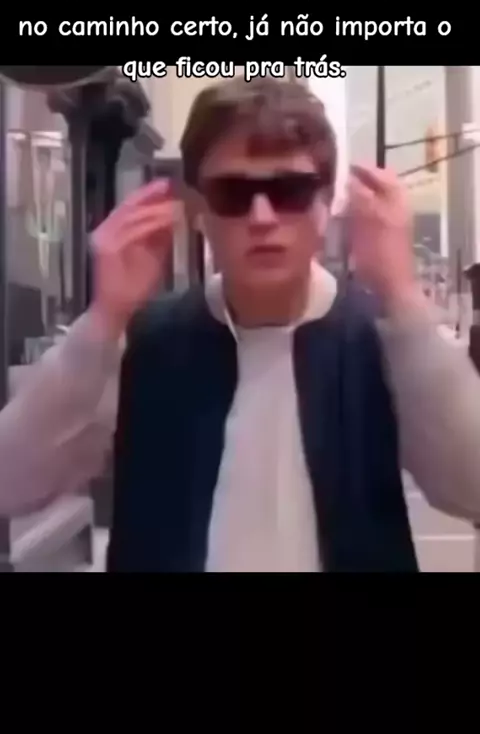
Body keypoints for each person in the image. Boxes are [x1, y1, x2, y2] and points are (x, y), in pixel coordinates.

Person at [0, 77, 480, 572]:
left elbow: (472, 487)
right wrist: (102, 321)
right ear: (198, 209)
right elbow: (11, 482)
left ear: (325, 204)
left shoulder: (381, 340)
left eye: (290, 190)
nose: (262, 216)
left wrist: (403, 297)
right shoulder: (147, 343)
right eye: (233, 193)